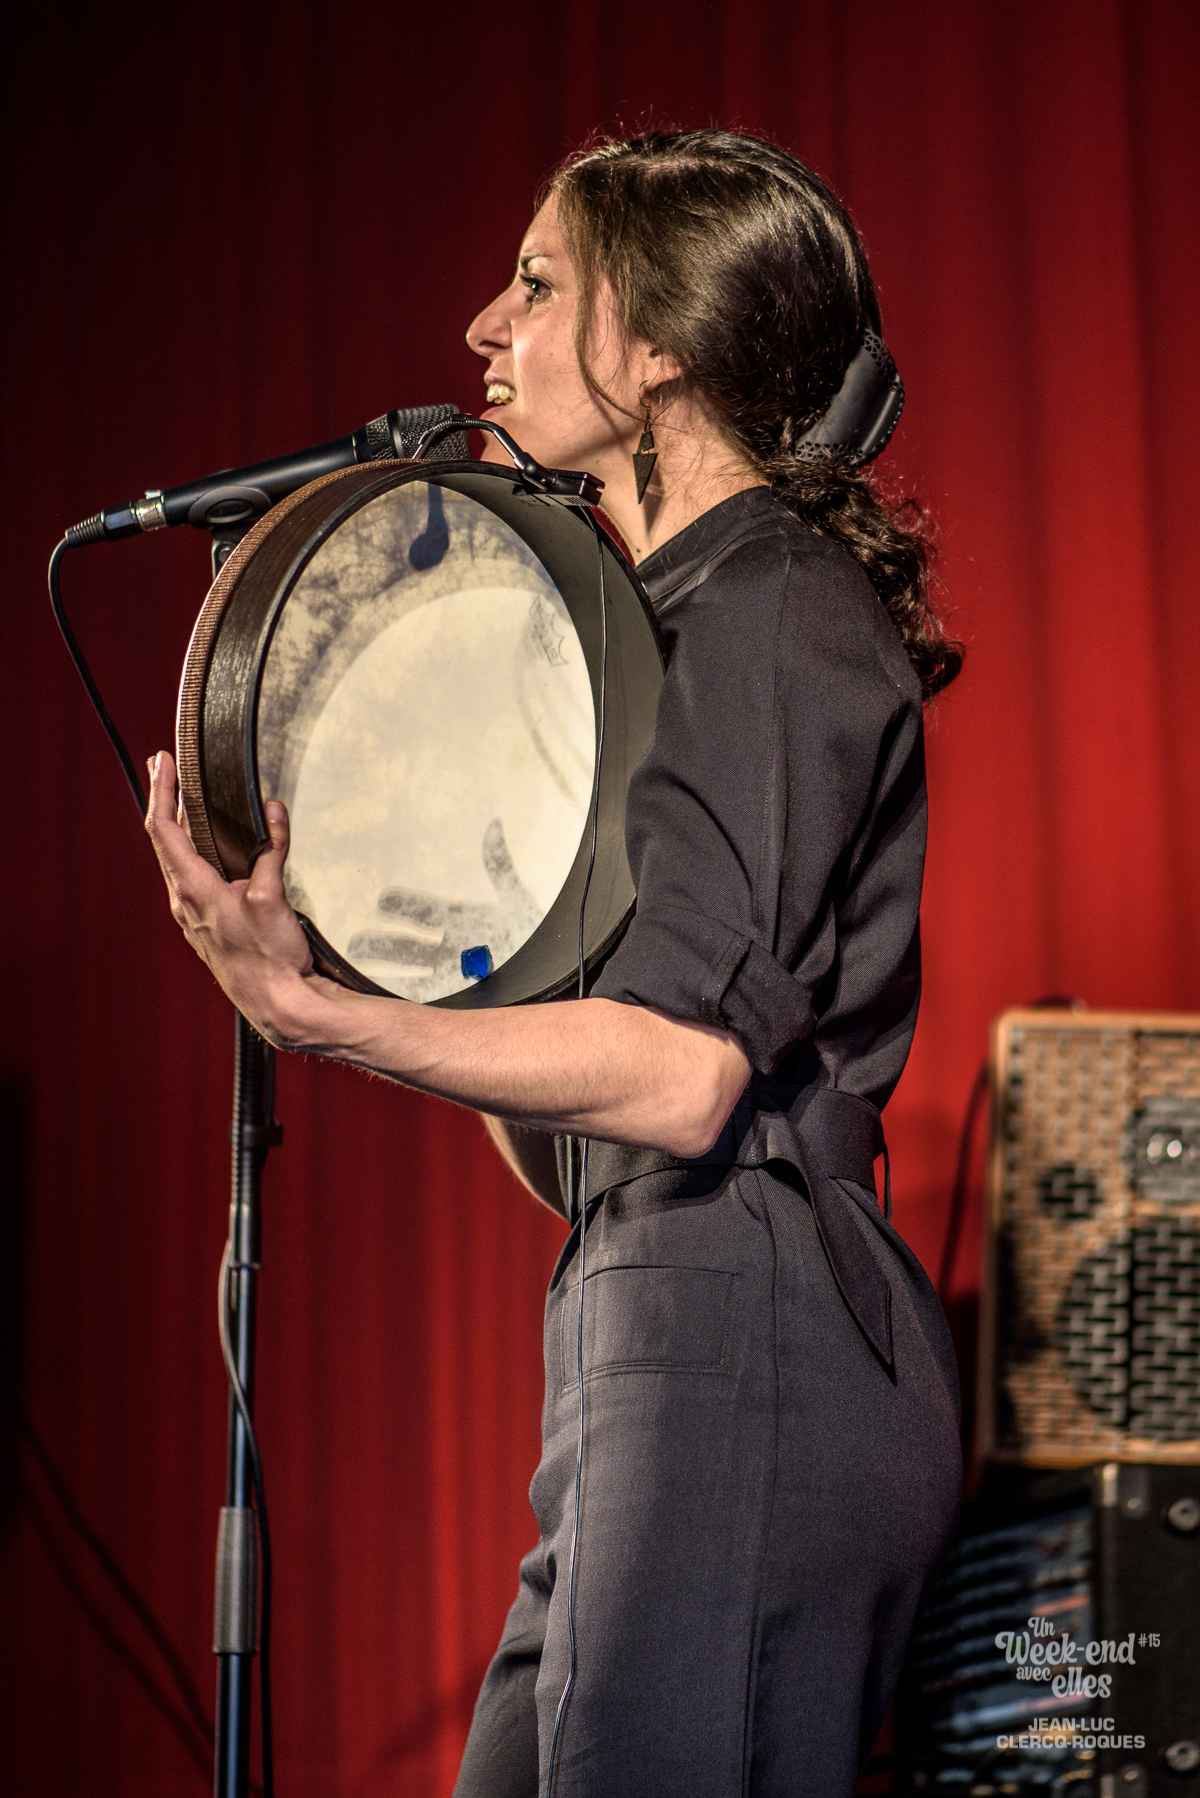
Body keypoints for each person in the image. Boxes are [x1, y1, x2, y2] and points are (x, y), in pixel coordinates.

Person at [147, 129, 964, 1798]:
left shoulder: (774, 598)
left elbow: (682, 1079)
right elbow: (574, 1142)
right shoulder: (640, 638)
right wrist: (432, 931)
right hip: (645, 1304)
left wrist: (318, 1009)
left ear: (659, 344)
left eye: (534, 283)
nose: (481, 326)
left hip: (745, 1320)